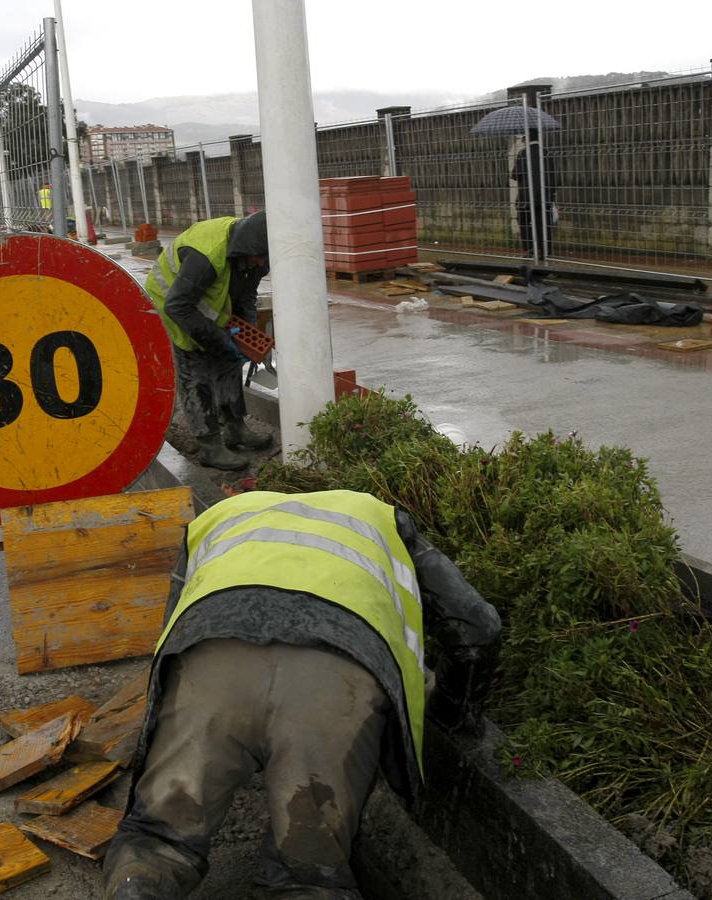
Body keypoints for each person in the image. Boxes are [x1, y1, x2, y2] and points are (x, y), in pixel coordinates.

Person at [102, 489, 503, 899]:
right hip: (334, 682)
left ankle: (139, 884)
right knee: (306, 875)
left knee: (157, 842)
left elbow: (174, 633)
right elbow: (479, 629)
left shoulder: (220, 516)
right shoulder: (386, 523)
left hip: (210, 661)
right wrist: (453, 713)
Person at [144, 211, 274, 471]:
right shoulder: (206, 256)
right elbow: (179, 306)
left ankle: (235, 428)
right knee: (197, 370)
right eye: (259, 259)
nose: (262, 264)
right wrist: (218, 340)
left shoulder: (257, 256)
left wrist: (246, 335)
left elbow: (245, 297)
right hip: (173, 303)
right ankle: (209, 444)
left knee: (228, 361)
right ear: (246, 250)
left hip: (208, 304)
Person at [513, 130, 557, 260]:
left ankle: (530, 249)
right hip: (545, 197)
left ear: (526, 139)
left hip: (526, 197)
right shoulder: (546, 153)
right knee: (543, 224)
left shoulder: (523, 154)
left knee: (524, 222)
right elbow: (553, 176)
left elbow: (515, 175)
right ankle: (545, 251)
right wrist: (552, 195)